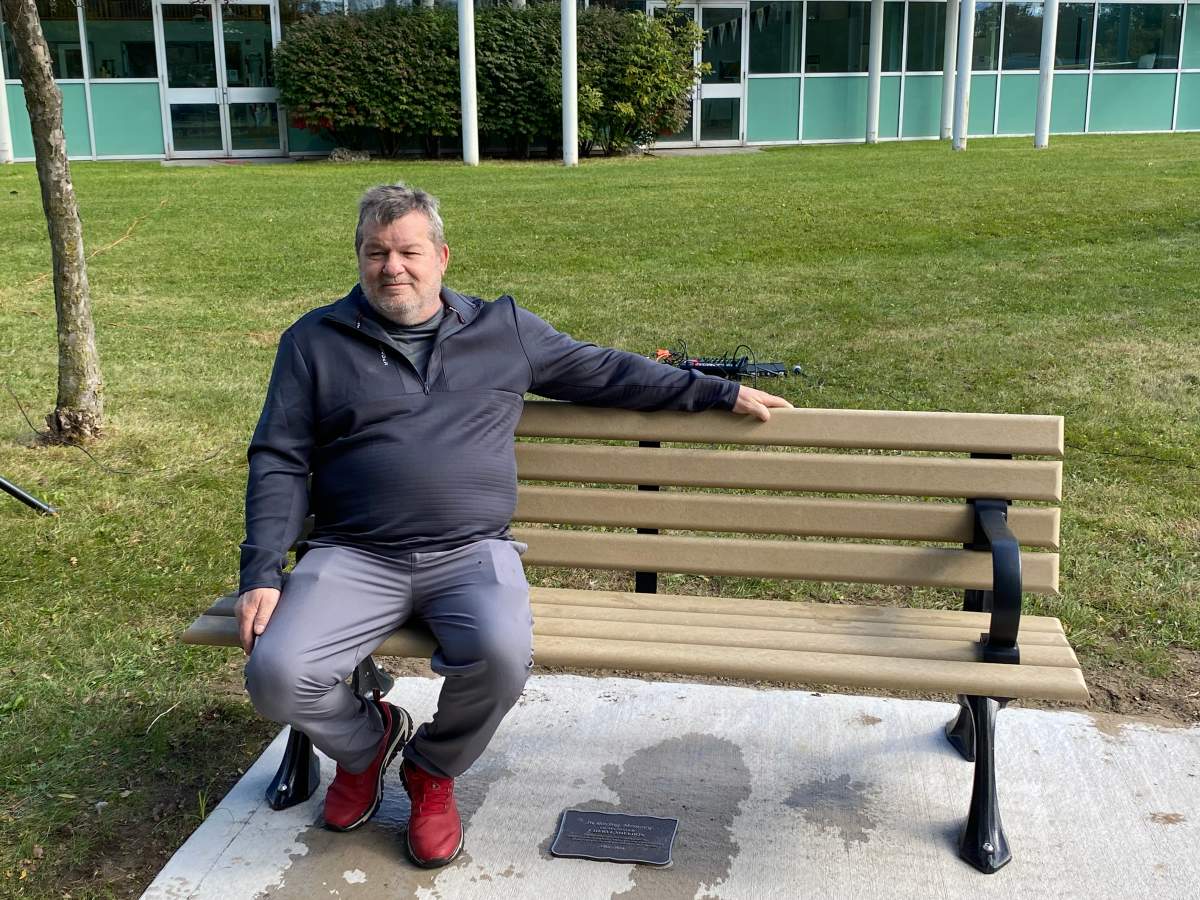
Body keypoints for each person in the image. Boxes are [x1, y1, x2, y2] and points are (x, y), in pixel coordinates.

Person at [236, 183, 792, 869]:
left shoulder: (502, 331)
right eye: (375, 253)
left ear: (441, 256)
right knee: (277, 674)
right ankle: (367, 744)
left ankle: (432, 770)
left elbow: (605, 371)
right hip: (355, 553)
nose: (392, 268)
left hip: (470, 552)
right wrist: (262, 571)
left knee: (501, 660)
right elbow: (279, 458)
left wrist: (718, 390)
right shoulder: (313, 342)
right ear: (358, 257)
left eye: (408, 251)